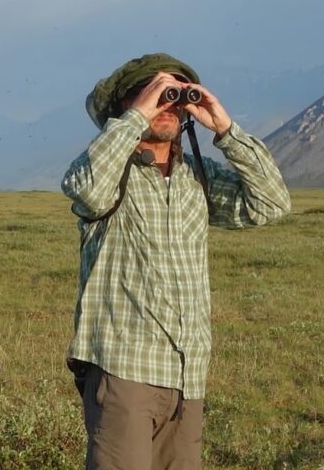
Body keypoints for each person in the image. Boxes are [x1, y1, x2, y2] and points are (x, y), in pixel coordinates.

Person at [61, 53, 292, 469]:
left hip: (188, 376)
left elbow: (271, 204)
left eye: (174, 96)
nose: (166, 106)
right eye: (153, 94)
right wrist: (136, 116)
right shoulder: (111, 174)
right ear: (126, 106)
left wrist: (225, 128)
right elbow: (87, 188)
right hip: (123, 370)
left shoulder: (197, 178)